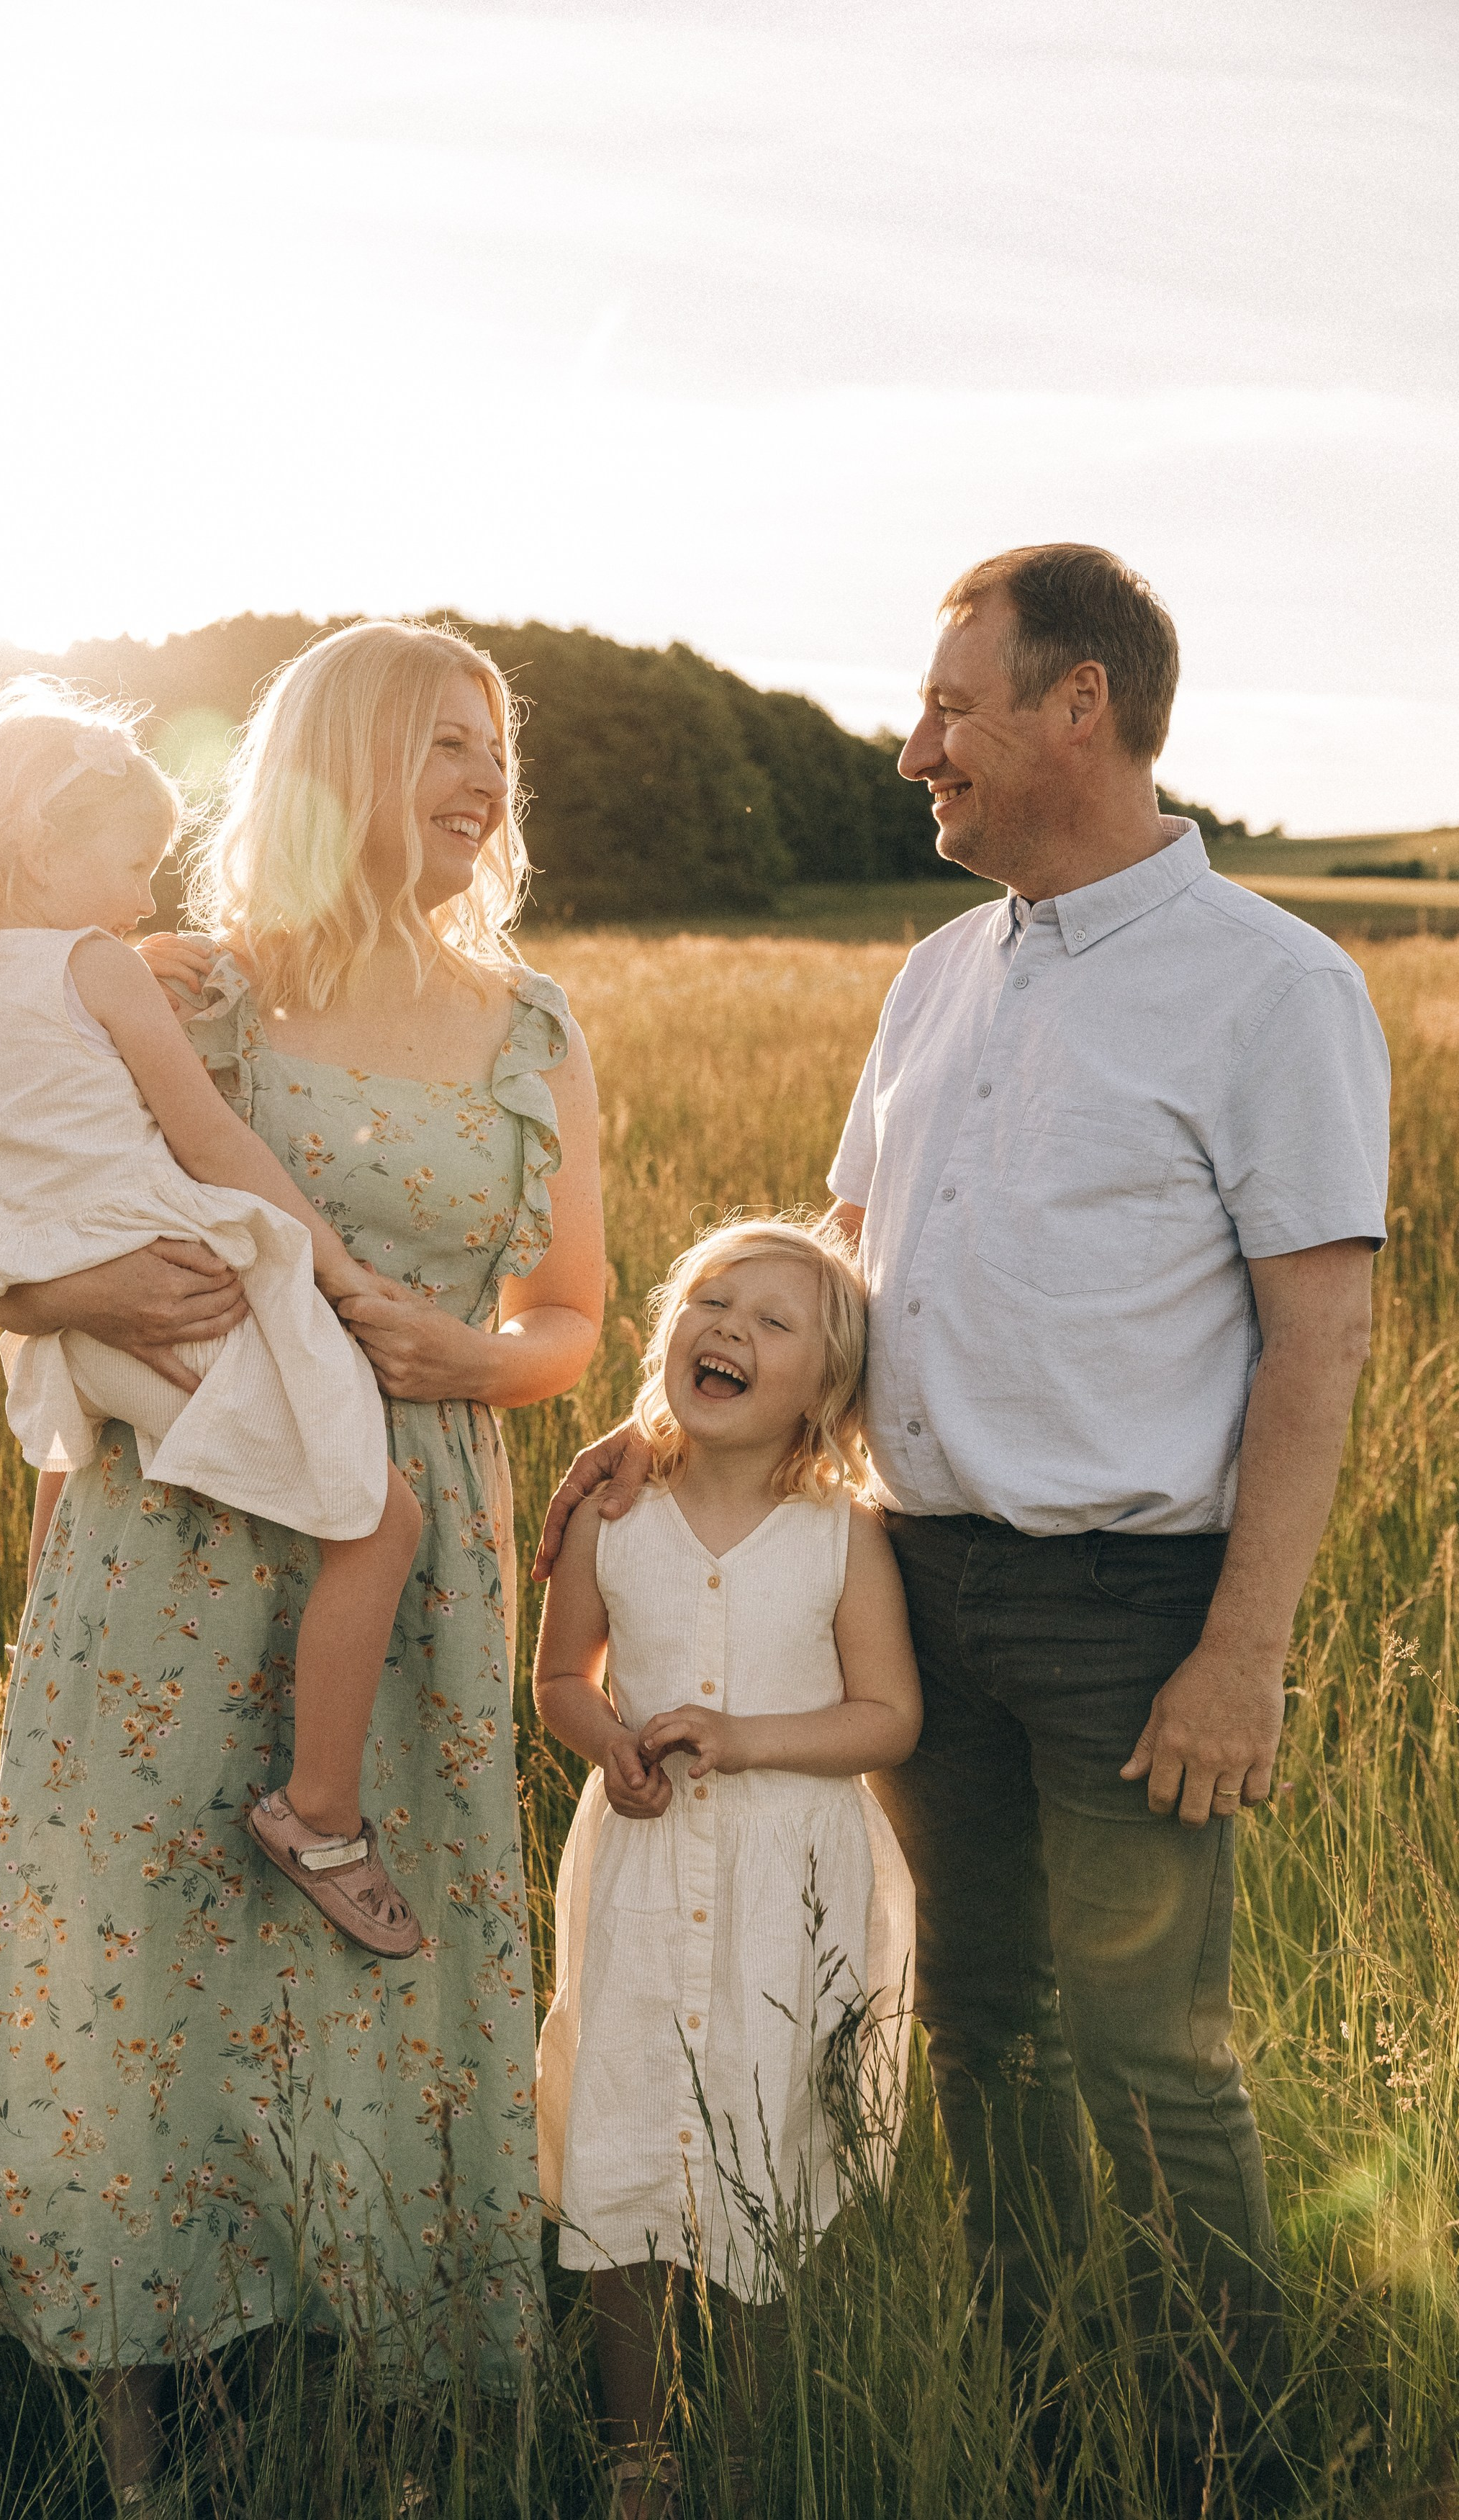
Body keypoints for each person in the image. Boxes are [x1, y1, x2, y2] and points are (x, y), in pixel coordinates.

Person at [535, 546, 1391, 2497]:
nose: (913, 747)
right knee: (976, 2033)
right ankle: (1043, 2431)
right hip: (906, 1585)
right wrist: (653, 1434)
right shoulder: (935, 973)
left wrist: (1236, 1649)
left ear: (1071, 706)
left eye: (946, 707)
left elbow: (1314, 1335)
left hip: (1127, 1612)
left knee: (1151, 2057)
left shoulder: (1271, 986)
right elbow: (835, 1281)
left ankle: (1216, 2461)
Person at [0, 621, 605, 2503]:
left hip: (409, 1574)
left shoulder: (535, 1024)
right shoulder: (179, 996)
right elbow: (24, 1264)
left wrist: (476, 1360)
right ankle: (155, 2457)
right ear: (327, 773)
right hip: (170, 1555)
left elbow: (567, 1314)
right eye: (436, 750)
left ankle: (380, 2441)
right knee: (152, 1986)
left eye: (492, 752)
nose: (481, 784)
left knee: (377, 1995)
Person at [0, 680, 427, 1954]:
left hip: (55, 1304)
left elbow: (37, 1098)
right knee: (381, 1516)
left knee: (76, 1509)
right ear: (40, 845)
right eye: (129, 866)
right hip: (168, 1279)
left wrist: (123, 965)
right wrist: (338, 1271)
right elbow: (210, 1133)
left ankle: (54, 1731)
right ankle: (321, 1811)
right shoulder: (92, 962)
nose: (141, 900)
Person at [533, 1218, 918, 2517]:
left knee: (770, 2154)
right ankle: (637, 2452)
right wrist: (613, 1746)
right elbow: (556, 1679)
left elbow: (888, 1718)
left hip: (785, 1883)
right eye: (710, 1301)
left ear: (824, 1385)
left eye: (772, 1323)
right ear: (667, 1332)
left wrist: (746, 1741)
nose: (729, 1332)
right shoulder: (611, 1506)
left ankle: (749, 2451)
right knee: (626, 2139)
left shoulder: (839, 1533)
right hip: (641, 1871)